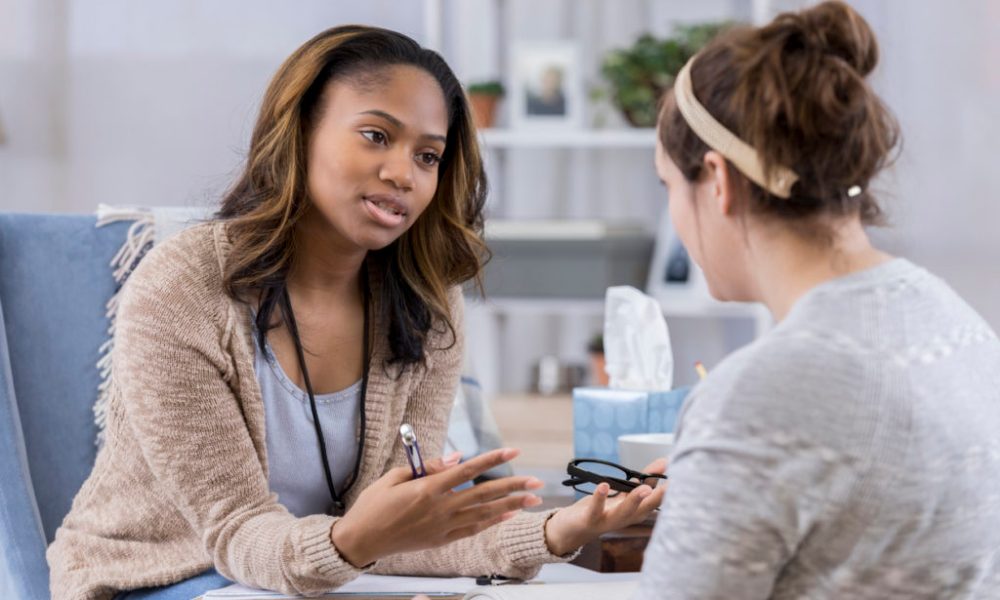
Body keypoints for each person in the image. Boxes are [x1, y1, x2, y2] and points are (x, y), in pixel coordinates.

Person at [46, 25, 664, 600]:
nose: (404, 174)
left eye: (428, 156)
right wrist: (355, 540)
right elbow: (238, 534)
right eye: (376, 136)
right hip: (161, 578)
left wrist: (555, 531)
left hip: (321, 574)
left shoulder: (428, 303)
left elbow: (395, 531)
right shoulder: (185, 289)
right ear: (301, 130)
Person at [636, 2, 1000, 598]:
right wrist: (724, 484)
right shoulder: (955, 321)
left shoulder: (763, 390)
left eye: (669, 186)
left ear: (718, 181)